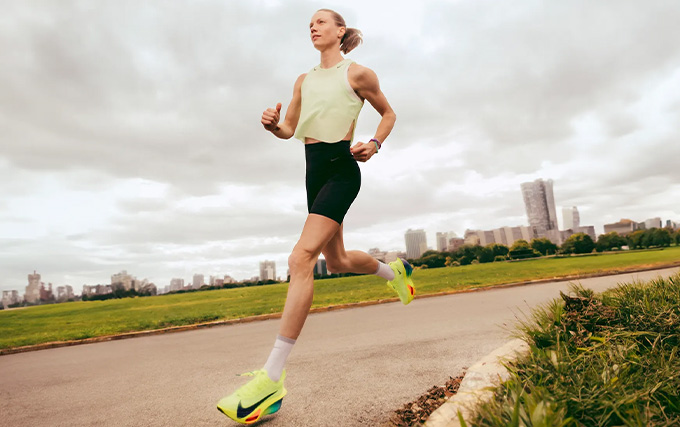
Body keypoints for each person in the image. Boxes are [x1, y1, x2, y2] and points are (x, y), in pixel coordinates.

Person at [217, 8, 415, 424]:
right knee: (337, 261)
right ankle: (394, 272)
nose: (313, 26)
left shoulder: (358, 74)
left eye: (321, 21)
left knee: (299, 259)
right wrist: (272, 125)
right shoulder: (303, 80)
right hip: (312, 171)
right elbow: (290, 129)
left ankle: (271, 379)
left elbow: (389, 113)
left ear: (340, 31)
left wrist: (375, 144)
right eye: (309, 23)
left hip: (342, 169)